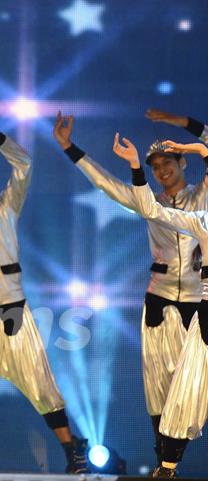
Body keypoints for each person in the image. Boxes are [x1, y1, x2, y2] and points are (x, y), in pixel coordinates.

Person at [53, 111, 208, 468]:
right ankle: (164, 464)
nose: (162, 170)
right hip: (160, 299)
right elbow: (106, 182)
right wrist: (68, 147)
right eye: (155, 167)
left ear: (182, 163)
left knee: (195, 387)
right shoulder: (147, 201)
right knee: (158, 388)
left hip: (199, 302)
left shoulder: (201, 198)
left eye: (167, 162)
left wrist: (180, 123)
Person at [0, 101, 87, 478]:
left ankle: (72, 449)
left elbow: (24, 164)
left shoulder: (6, 206)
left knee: (41, 384)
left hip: (14, 311)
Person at [113, 135, 208, 479]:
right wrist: (137, 167)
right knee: (185, 394)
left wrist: (195, 147)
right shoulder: (201, 221)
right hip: (204, 314)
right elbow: (151, 209)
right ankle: (167, 469)